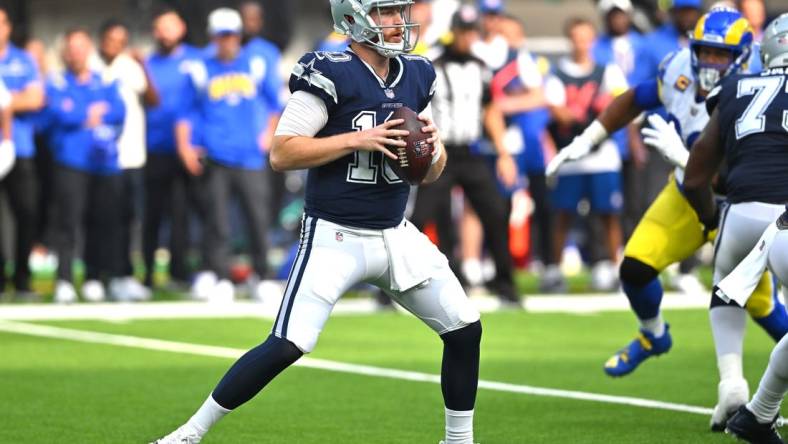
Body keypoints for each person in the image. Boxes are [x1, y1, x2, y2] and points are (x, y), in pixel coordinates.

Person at [152, 1, 482, 443]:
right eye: (385, 12)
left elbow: (431, 172)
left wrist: (434, 150)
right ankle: (189, 434)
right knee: (287, 344)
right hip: (335, 234)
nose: (397, 21)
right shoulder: (330, 69)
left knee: (464, 328)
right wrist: (356, 139)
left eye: (400, 10)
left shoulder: (417, 73)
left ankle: (459, 441)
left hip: (395, 232)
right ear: (353, 17)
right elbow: (281, 152)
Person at [546, 9, 788, 392]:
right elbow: (634, 99)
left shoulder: (760, 78)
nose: (710, 62)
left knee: (759, 305)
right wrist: (587, 140)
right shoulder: (678, 67)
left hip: (737, 203)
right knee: (636, 268)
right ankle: (653, 335)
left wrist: (685, 158)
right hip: (686, 194)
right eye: (705, 52)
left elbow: (740, 171)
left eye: (720, 54)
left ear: (744, 55)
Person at [683, 11, 788, 433]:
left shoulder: (734, 86)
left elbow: (694, 178)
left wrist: (711, 221)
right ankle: (759, 411)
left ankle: (732, 386)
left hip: (741, 213)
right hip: (784, 216)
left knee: (726, 288)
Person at [410, 5, 519, 304]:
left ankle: (505, 283)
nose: (468, 38)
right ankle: (394, 285)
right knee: (419, 218)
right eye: (463, 32)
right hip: (441, 154)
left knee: (496, 213)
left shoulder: (481, 67)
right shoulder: (433, 63)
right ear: (453, 32)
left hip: (471, 154)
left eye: (472, 32)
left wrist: (503, 153)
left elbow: (490, 110)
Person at [176, 8, 278, 302]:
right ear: (212, 37)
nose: (226, 41)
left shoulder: (255, 64)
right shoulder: (199, 68)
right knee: (216, 221)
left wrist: (268, 134)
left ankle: (263, 275)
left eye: (231, 35)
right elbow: (185, 112)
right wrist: (185, 146)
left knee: (257, 219)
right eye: (221, 36)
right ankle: (221, 276)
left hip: (250, 155)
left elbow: (275, 103)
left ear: (239, 36)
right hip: (217, 154)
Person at [542, 17, 628, 292]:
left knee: (609, 212)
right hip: (570, 154)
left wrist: (598, 109)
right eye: (577, 37)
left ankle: (614, 266)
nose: (581, 43)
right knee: (563, 213)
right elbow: (558, 110)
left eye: (586, 37)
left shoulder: (607, 71)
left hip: (602, 154)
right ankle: (554, 270)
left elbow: (618, 101)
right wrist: (588, 111)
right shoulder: (558, 73)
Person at [48, 28, 126, 303]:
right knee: (68, 224)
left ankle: (94, 277)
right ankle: (65, 279)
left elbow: (118, 110)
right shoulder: (57, 82)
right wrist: (87, 114)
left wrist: (83, 115)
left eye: (82, 48)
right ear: (65, 53)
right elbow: (58, 113)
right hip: (71, 161)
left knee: (101, 222)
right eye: (72, 49)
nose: (77, 54)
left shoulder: (103, 81)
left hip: (103, 163)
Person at [143, 7, 209, 290]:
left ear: (181, 29)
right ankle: (146, 275)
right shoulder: (147, 63)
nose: (165, 33)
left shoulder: (198, 60)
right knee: (152, 213)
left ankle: (180, 274)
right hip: (155, 146)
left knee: (183, 214)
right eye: (160, 27)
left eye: (170, 27)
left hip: (189, 149)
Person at [95, 18, 159, 301]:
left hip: (130, 154)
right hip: (98, 156)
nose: (115, 47)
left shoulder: (130, 66)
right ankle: (98, 274)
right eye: (111, 40)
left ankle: (122, 273)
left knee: (127, 217)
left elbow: (153, 98)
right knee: (98, 217)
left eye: (120, 42)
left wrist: (143, 64)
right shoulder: (91, 66)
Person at [0, 7, 44, 297]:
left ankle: (23, 278)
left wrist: (4, 101)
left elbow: (36, 98)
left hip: (19, 147)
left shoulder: (22, 59)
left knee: (26, 211)